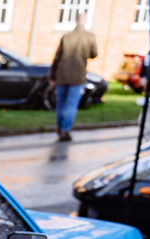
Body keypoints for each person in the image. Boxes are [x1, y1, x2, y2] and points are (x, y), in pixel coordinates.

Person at [49, 11, 97, 142]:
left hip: (61, 75)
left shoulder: (66, 37)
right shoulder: (90, 37)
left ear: (76, 21)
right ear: (85, 22)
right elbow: (94, 54)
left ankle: (59, 127)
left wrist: (52, 76)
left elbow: (57, 57)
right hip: (77, 76)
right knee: (71, 104)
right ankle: (66, 129)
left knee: (61, 103)